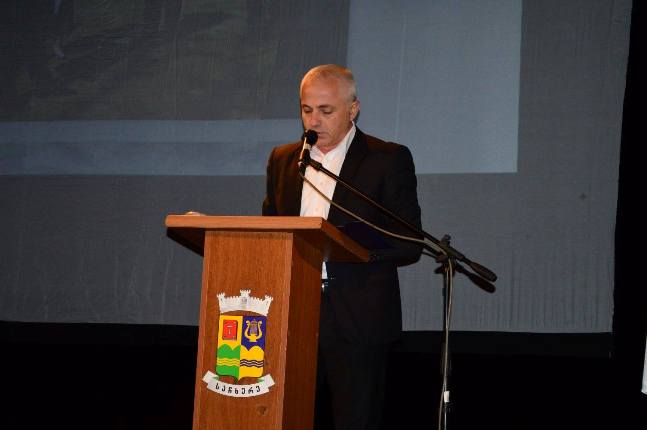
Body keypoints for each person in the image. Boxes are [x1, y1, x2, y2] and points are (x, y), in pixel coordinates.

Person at [262, 64, 423, 429]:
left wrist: (348, 244)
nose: (313, 121)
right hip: (293, 313)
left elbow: (410, 240)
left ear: (353, 109)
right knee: (281, 417)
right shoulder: (284, 160)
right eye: (306, 110)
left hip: (356, 317)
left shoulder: (386, 159)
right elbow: (271, 229)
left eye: (326, 110)